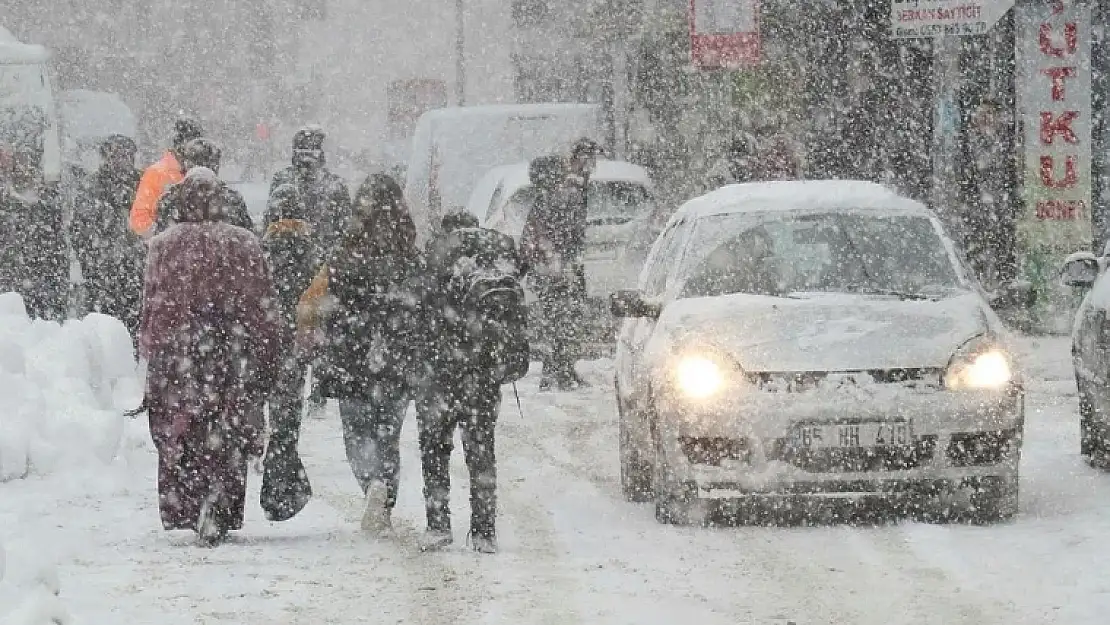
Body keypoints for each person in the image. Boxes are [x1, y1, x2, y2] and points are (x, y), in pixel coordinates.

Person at [138, 168, 281, 546]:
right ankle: (220, 502)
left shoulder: (163, 245)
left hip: (179, 356)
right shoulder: (245, 244)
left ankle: (188, 502)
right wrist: (267, 351)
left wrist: (151, 352)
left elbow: (153, 307)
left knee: (183, 433)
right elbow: (261, 305)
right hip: (232, 354)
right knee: (228, 432)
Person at [296, 173, 423, 535]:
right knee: (388, 433)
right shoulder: (410, 256)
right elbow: (422, 305)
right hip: (395, 356)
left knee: (357, 433)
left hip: (349, 354)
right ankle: (384, 486)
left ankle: (370, 482)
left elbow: (313, 303)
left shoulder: (342, 256)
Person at [417, 209, 529, 554]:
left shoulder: (437, 254)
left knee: (435, 449)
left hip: (441, 369)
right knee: (481, 450)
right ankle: (484, 531)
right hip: (484, 371)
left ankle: (438, 525)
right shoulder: (499, 255)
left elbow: (418, 308)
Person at [269, 125, 353, 416]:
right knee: (319, 329)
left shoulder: (283, 183)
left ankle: (300, 381)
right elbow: (346, 230)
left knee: (301, 330)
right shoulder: (334, 186)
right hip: (319, 268)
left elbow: (271, 225)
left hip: (291, 270)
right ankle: (315, 383)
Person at [521, 138, 602, 391]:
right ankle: (560, 371)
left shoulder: (568, 191)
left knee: (560, 319)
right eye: (587, 158)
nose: (591, 164)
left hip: (560, 267)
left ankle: (558, 370)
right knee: (564, 319)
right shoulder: (564, 193)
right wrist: (561, 263)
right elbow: (554, 234)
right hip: (559, 269)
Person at [257, 183, 318, 521]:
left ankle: (274, 471)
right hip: (296, 342)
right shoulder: (311, 251)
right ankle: (281, 485)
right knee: (286, 415)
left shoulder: (260, 249)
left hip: (263, 340)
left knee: (264, 407)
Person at [70, 134, 144, 333]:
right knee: (103, 331)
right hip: (102, 275)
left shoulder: (143, 185)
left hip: (136, 274)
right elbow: (79, 232)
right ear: (106, 157)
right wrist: (93, 264)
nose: (122, 160)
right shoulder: (91, 187)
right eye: (116, 154)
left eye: (127, 155)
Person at [0, 108, 67, 320]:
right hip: (10, 292)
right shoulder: (8, 202)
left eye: (28, 158)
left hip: (40, 289)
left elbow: (57, 251)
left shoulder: (48, 203)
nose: (23, 165)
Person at [959, 98, 1017, 288]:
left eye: (991, 115)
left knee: (1002, 245)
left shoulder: (1008, 142)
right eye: (982, 115)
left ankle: (1002, 282)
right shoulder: (966, 142)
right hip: (976, 207)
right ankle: (979, 282)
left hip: (1001, 206)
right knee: (976, 247)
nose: (986, 119)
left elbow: (1010, 174)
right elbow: (964, 175)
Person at [152, 138, 254, 235]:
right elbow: (250, 243)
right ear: (216, 166)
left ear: (186, 164)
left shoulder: (169, 200)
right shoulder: (233, 199)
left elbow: (158, 244)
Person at [129, 117, 203, 238]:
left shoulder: (201, 174)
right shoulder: (156, 173)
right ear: (178, 146)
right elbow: (139, 219)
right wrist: (164, 237)